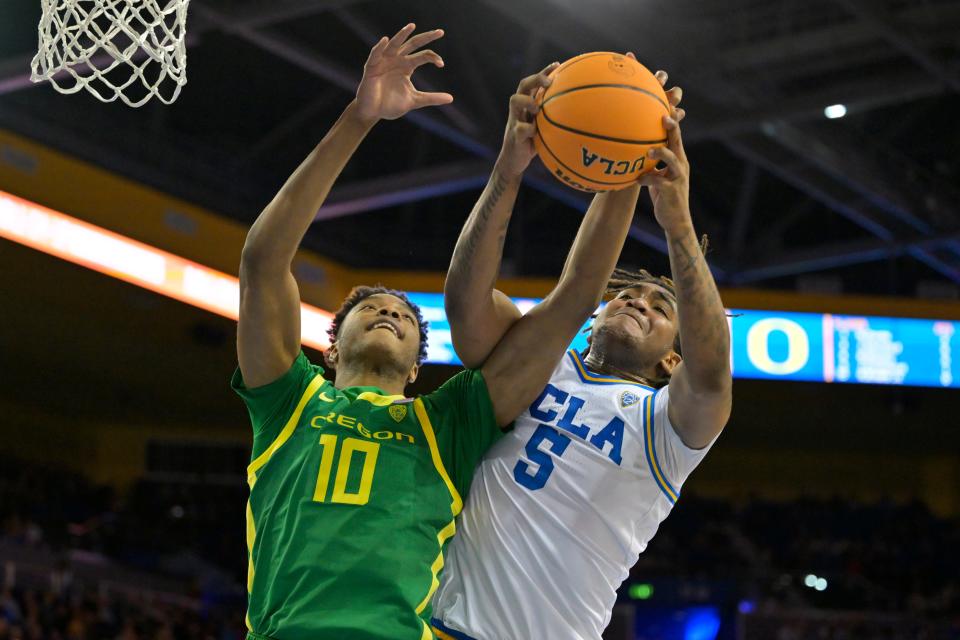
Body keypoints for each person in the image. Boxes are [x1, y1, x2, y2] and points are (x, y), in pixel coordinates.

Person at [232, 24, 650, 640]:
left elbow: (573, 304)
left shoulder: (446, 424)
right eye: (371, 308)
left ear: (414, 370)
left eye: (404, 316)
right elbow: (264, 260)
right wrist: (359, 116)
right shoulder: (287, 403)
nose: (389, 312)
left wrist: (628, 166)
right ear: (331, 345)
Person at [431, 66, 732, 640]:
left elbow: (713, 372)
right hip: (439, 627)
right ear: (593, 318)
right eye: (626, 294)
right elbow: (465, 303)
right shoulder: (536, 359)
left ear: (673, 358)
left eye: (658, 308)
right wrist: (509, 170)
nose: (637, 303)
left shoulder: (667, 428)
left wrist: (677, 223)